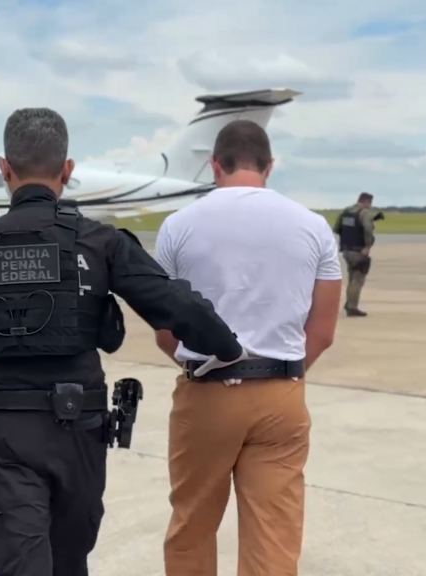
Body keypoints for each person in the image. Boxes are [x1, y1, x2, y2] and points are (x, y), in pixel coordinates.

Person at [0, 107, 248, 576]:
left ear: (4, 169)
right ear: (67, 170)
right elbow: (176, 305)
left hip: (4, 433)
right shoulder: (99, 242)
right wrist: (229, 349)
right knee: (70, 562)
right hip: (79, 433)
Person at [153, 120, 342, 576]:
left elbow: (165, 331)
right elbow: (323, 331)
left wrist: (205, 368)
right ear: (269, 165)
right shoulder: (314, 227)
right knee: (273, 536)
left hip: (206, 392)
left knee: (192, 526)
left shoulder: (177, 227)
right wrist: (281, 373)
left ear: (214, 165)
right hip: (281, 392)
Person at [333, 192, 381, 316]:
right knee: (358, 279)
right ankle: (352, 307)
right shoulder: (364, 213)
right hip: (358, 250)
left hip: (346, 249)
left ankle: (349, 303)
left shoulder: (346, 212)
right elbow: (368, 230)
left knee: (352, 278)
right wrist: (367, 246)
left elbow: (336, 228)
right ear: (367, 201)